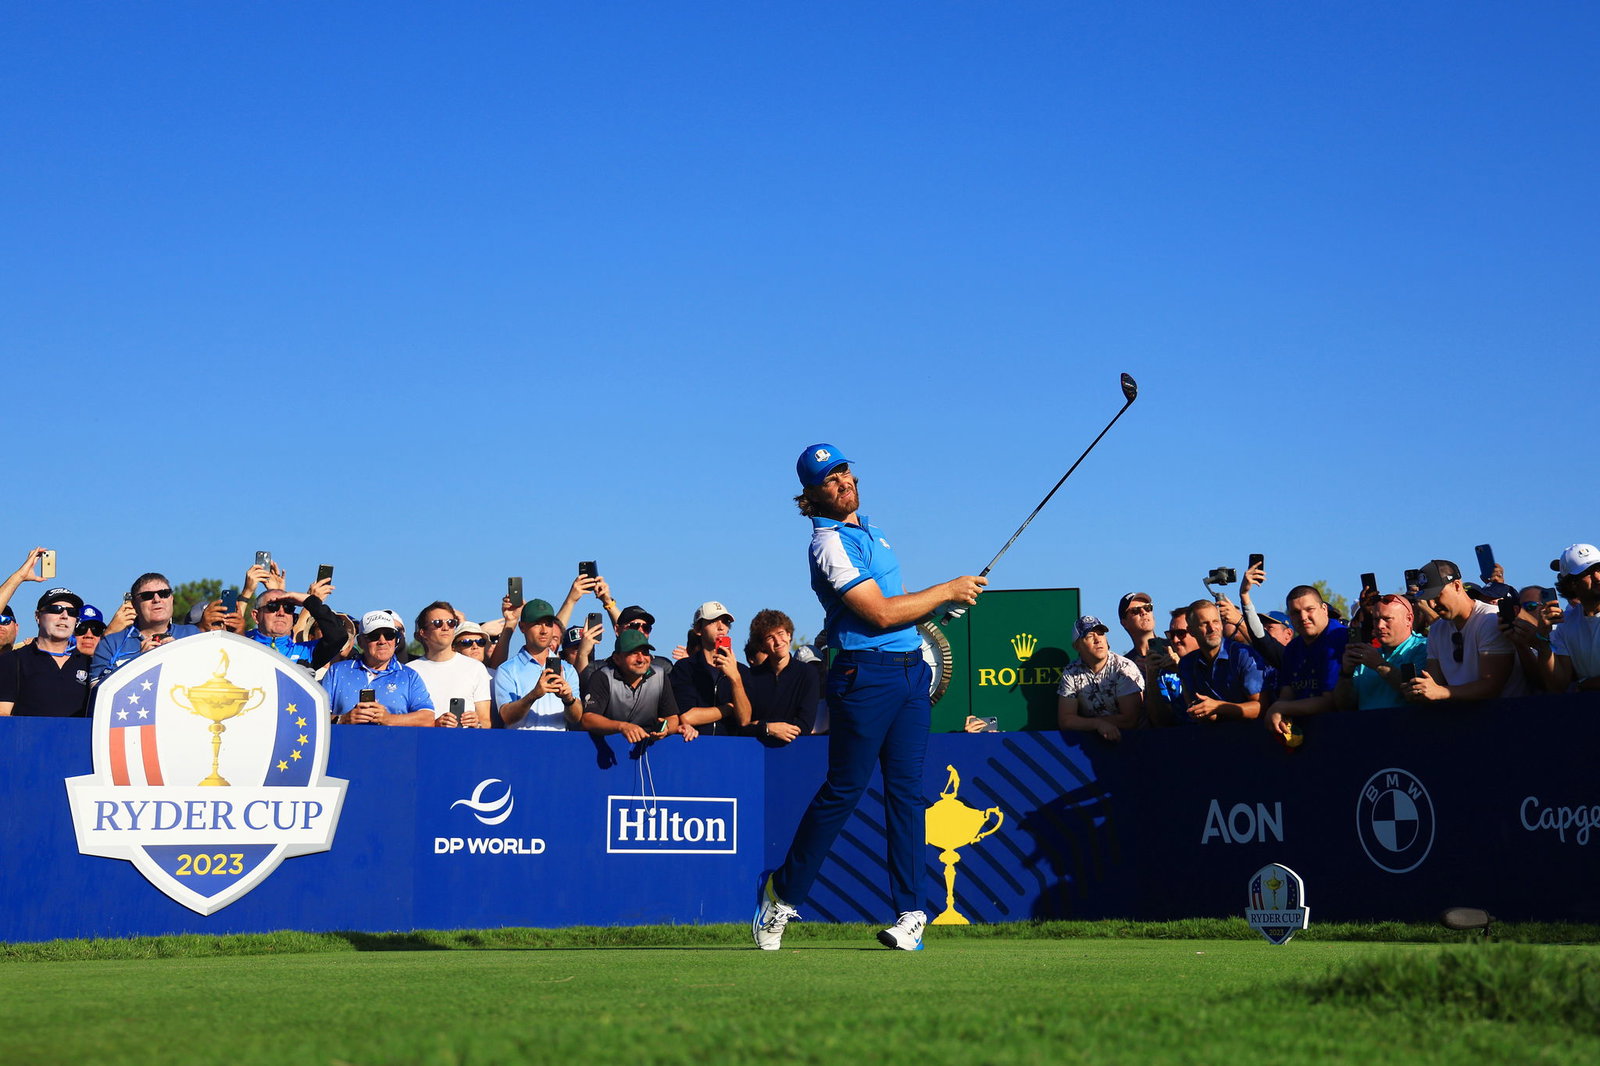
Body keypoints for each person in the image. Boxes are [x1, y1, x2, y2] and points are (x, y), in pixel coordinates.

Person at [754, 443, 985, 953]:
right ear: (811, 497)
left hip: (908, 677)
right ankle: (781, 894)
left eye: (844, 471)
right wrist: (948, 589)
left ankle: (911, 914)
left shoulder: (872, 532)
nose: (842, 482)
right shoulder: (828, 543)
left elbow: (897, 609)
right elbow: (877, 614)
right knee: (844, 792)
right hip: (864, 678)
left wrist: (936, 610)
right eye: (829, 480)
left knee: (907, 796)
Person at [1403, 560, 1526, 703]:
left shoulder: (1489, 619)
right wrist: (1420, 691)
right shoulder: (1437, 629)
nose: (1432, 605)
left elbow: (1491, 686)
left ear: (1456, 586)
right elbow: (1434, 683)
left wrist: (1441, 692)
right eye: (1428, 599)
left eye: (1437, 596)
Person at [322, 610, 436, 725]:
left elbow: (428, 718)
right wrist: (343, 719)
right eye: (374, 636)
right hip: (345, 742)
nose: (382, 641)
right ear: (360, 641)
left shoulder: (409, 676)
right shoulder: (337, 671)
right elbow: (315, 714)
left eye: (389, 635)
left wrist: (389, 719)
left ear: (396, 640)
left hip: (394, 743)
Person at [1264, 586, 1350, 735]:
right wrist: (1279, 710)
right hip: (1306, 731)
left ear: (1324, 609)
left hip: (1341, 729)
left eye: (1309, 609)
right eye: (1296, 612)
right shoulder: (1293, 647)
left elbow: (1330, 702)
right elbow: (1287, 692)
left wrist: (1281, 708)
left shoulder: (1338, 637)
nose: (1303, 617)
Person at [1514, 544, 1600, 692]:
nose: (1597, 577)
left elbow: (1569, 688)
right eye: (1588, 572)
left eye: (1599, 569)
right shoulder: (1565, 624)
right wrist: (1543, 638)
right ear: (1572, 584)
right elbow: (1557, 686)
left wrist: (1582, 685)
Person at [90, 573, 201, 683]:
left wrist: (181, 655)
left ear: (171, 599)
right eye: (147, 596)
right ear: (134, 604)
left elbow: (208, 676)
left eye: (164, 593)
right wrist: (140, 663)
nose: (157, 599)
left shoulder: (192, 634)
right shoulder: (111, 644)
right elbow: (99, 691)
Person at [579, 629, 685, 741]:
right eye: (633, 653)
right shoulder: (603, 676)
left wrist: (666, 728)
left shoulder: (660, 675)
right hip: (609, 745)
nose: (641, 659)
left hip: (649, 747)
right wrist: (622, 727)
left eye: (645, 653)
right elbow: (588, 719)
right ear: (617, 658)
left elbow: (672, 718)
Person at [0, 588, 92, 717]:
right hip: (27, 736)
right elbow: (3, 714)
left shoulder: (91, 664)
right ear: (38, 616)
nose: (64, 616)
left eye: (72, 612)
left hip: (78, 737)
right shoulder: (12, 660)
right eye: (56, 609)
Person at [493, 599, 581, 730]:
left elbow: (576, 717)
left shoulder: (568, 669)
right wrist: (533, 695)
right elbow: (506, 716)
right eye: (537, 624)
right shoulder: (507, 670)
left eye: (548, 624)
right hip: (521, 747)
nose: (544, 630)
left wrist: (568, 699)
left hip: (557, 747)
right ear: (522, 627)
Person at [669, 601, 752, 737]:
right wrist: (727, 709)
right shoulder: (685, 668)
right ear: (698, 629)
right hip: (695, 746)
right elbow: (687, 717)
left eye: (725, 622)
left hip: (731, 750)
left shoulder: (742, 671)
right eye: (713, 621)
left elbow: (744, 719)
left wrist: (735, 679)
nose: (721, 627)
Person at [1333, 594, 1429, 710]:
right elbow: (1344, 706)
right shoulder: (1366, 655)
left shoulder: (1423, 647)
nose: (1379, 626)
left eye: (1387, 619)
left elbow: (1417, 694)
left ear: (1409, 619)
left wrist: (1379, 665)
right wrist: (1345, 674)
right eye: (1376, 619)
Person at [1175, 600, 1265, 723]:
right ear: (1191, 631)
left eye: (1216, 621)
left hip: (1253, 733)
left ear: (1222, 625)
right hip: (1213, 736)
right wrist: (1205, 712)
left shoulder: (1243, 654)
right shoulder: (1187, 664)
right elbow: (1195, 709)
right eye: (1204, 624)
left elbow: (1261, 707)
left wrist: (1219, 707)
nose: (1212, 628)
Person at [1056, 615, 1142, 742]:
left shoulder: (1124, 667)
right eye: (1090, 636)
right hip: (1091, 744)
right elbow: (1066, 720)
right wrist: (1097, 724)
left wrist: (1086, 723)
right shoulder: (1071, 671)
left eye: (1101, 634)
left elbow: (1129, 720)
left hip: (1135, 741)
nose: (1098, 640)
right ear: (1077, 646)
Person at [408, 601, 491, 728]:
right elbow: (404, 720)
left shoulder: (476, 668)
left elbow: (486, 721)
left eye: (451, 623)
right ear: (423, 632)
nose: (446, 627)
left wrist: (477, 723)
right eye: (438, 623)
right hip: (425, 744)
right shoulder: (409, 671)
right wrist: (435, 724)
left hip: (465, 743)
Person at [743, 608, 819, 745]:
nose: (778, 641)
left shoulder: (808, 674)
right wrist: (768, 728)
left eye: (781, 633)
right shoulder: (750, 677)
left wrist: (760, 725)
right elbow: (743, 726)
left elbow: (804, 725)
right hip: (757, 754)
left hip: (795, 753)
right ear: (762, 645)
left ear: (789, 635)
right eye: (770, 637)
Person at [244, 578, 344, 669]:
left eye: (288, 608)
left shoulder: (305, 652)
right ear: (255, 616)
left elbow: (338, 636)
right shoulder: (242, 642)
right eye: (273, 606)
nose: (281, 613)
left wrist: (308, 601)